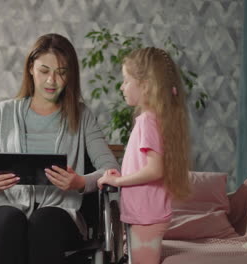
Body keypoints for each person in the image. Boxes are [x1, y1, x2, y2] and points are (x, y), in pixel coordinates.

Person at [0, 33, 119, 264]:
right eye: (44, 71)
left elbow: (110, 168)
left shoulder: (82, 116)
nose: (52, 80)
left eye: (61, 72)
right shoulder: (4, 113)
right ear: (31, 68)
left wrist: (80, 183)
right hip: (4, 211)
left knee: (43, 222)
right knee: (12, 221)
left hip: (61, 215)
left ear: (70, 75)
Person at [97, 47, 191, 264]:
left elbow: (155, 169)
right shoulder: (154, 119)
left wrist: (119, 180)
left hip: (146, 215)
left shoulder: (148, 121)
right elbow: (145, 165)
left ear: (146, 86)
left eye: (126, 81)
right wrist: (120, 174)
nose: (122, 87)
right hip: (145, 212)